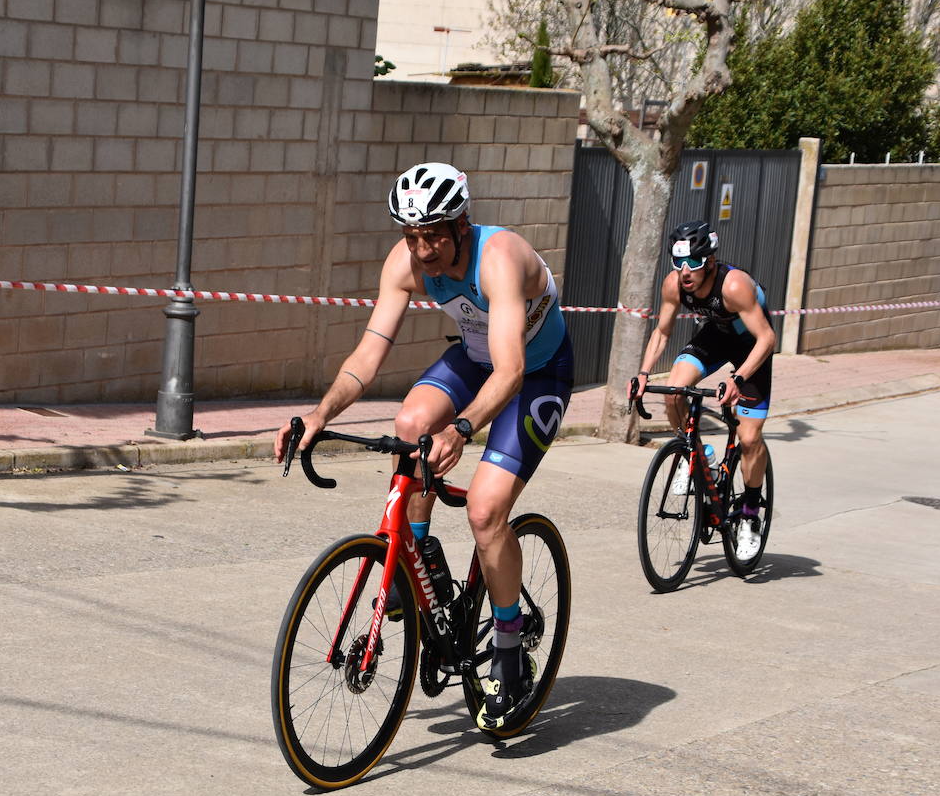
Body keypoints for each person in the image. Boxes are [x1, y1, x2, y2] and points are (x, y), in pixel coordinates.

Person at [274, 162, 573, 731]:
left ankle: (509, 650)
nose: (423, 248)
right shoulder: (404, 263)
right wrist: (317, 414)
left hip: (536, 373)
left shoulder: (500, 258)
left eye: (434, 232)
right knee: (409, 422)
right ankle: (419, 570)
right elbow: (366, 356)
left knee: (486, 512)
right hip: (475, 356)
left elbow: (509, 371)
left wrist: (461, 430)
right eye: (412, 235)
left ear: (463, 224)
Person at [627, 220, 776, 559]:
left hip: (752, 345)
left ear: (709, 260)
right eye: (678, 263)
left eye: (692, 263)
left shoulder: (734, 285)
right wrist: (644, 373)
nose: (684, 272)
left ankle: (751, 513)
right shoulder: (674, 284)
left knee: (749, 438)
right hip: (716, 337)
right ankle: (695, 452)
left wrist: (738, 380)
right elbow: (662, 332)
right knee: (675, 388)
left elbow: (768, 338)